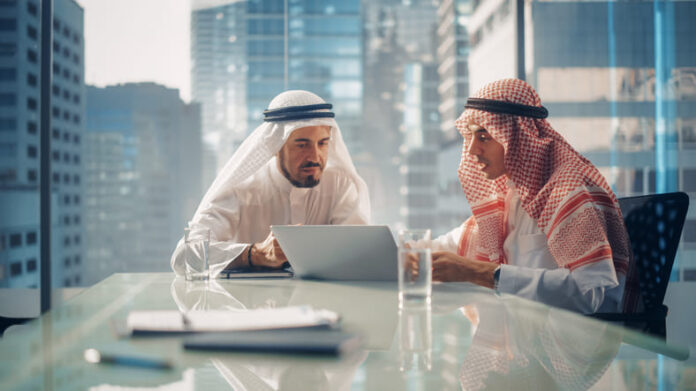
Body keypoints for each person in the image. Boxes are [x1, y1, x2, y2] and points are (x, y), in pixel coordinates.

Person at [428, 78, 638, 314]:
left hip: (571, 343)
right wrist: (405, 255)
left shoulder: (568, 188)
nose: (472, 150)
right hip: (522, 334)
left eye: (484, 137)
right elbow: (452, 248)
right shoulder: (511, 194)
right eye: (471, 137)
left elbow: (588, 294)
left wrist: (479, 273)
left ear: (517, 137)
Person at [171, 90, 370, 278]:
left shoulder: (340, 185)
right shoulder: (241, 189)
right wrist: (255, 254)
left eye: (323, 143)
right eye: (302, 145)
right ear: (275, 146)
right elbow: (184, 256)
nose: (314, 156)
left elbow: (361, 255)